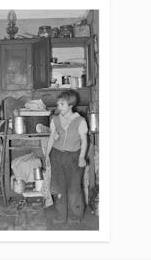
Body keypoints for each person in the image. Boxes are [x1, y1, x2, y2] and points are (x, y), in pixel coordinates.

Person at [45, 90, 88, 224]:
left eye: (62, 104)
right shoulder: (55, 120)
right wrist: (47, 155)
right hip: (57, 156)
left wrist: (81, 157)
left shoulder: (80, 121)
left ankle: (75, 216)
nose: (59, 107)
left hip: (74, 157)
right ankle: (61, 216)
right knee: (60, 188)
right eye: (58, 104)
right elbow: (51, 138)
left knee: (74, 189)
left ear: (70, 105)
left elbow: (84, 141)